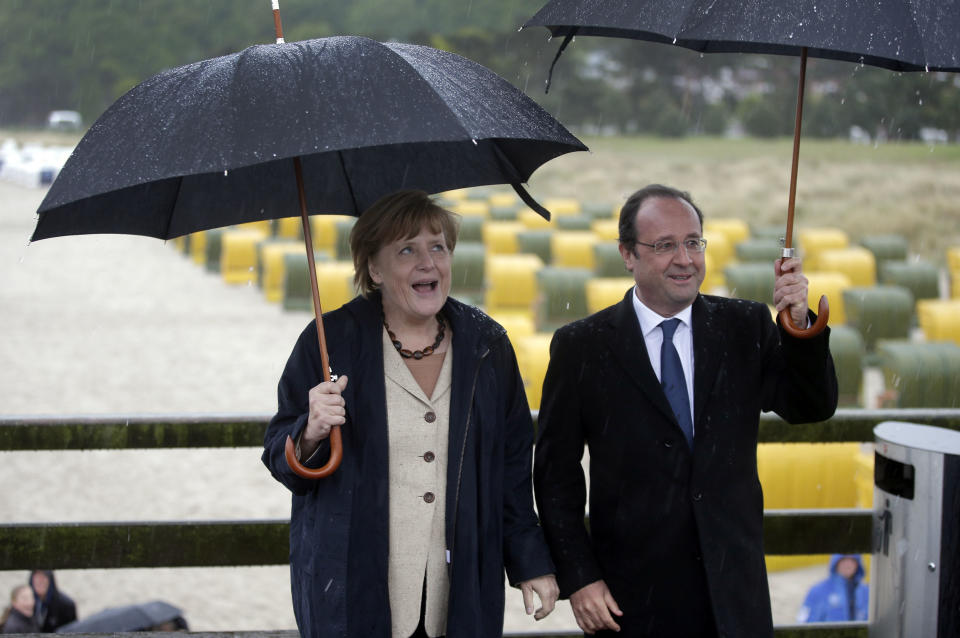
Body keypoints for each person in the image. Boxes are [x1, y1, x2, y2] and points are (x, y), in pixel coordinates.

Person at [534, 184, 838, 637]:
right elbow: (555, 475)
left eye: (693, 242)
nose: (685, 259)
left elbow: (809, 406)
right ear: (627, 254)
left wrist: (798, 324)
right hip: (631, 603)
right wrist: (581, 578)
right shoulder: (583, 347)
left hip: (733, 597)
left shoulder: (745, 327)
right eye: (665, 245)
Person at [262, 189, 559, 638]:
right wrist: (311, 432)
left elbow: (511, 468)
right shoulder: (328, 342)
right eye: (407, 250)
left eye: (438, 247)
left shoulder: (487, 345)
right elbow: (281, 460)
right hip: (353, 586)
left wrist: (529, 561)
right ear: (374, 269)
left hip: (459, 588)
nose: (428, 263)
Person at [797, 554, 869, 623]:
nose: (848, 564)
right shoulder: (818, 591)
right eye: (843, 560)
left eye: (852, 560)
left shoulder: (866, 592)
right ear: (836, 562)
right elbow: (804, 624)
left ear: (858, 563)